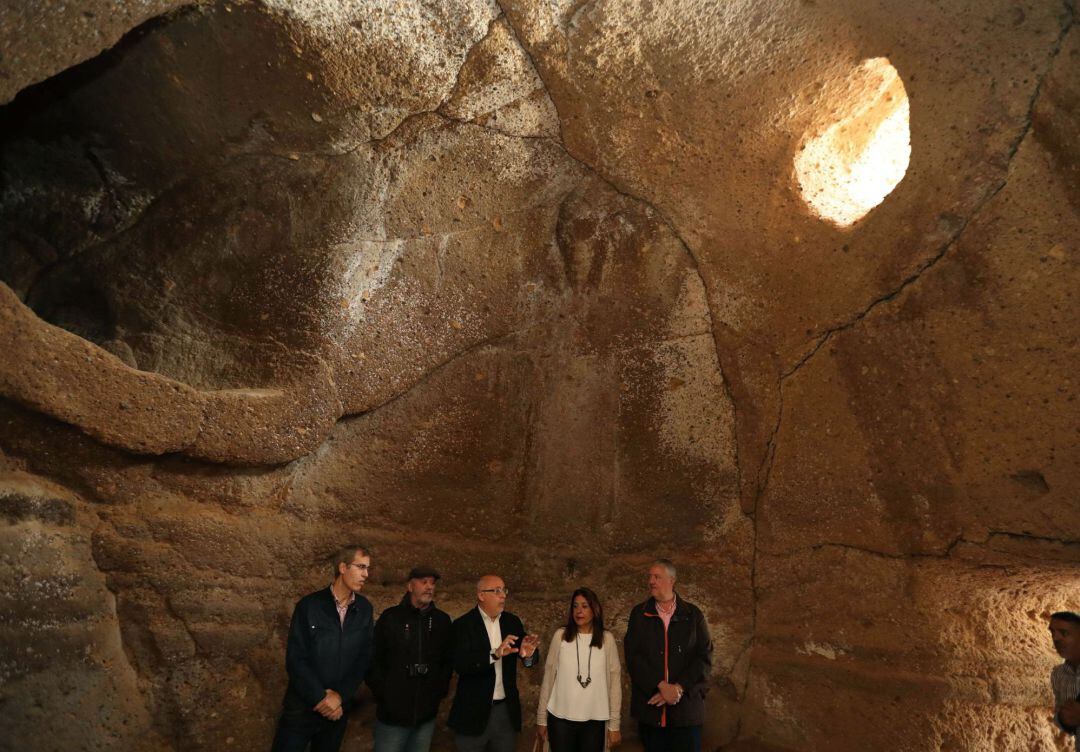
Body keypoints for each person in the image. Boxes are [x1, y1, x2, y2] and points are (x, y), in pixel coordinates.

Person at [271, 544, 375, 752]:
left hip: (336, 712)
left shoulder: (364, 609)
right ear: (343, 567)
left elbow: (363, 659)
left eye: (368, 568)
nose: (366, 574)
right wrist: (321, 697)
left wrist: (339, 697)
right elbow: (296, 659)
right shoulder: (309, 606)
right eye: (360, 567)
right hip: (301, 709)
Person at [624, 559, 712, 752]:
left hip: (686, 712)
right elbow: (633, 657)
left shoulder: (693, 615)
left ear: (671, 581)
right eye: (650, 576)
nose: (651, 581)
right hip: (651, 712)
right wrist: (661, 686)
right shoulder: (639, 614)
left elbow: (704, 658)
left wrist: (678, 688)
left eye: (657, 577)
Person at [448, 574, 541, 752]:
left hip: (504, 712)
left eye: (504, 590)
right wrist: (495, 654)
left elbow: (527, 656)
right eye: (497, 591)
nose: (503, 595)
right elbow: (461, 664)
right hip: (472, 712)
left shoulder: (512, 622)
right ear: (481, 595)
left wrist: (528, 655)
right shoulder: (463, 625)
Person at [367, 566, 454, 752]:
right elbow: (373, 658)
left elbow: (447, 661)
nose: (429, 587)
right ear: (409, 586)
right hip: (392, 715)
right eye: (423, 582)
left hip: (426, 714)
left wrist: (437, 693)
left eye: (432, 583)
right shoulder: (391, 618)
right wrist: (384, 695)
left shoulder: (442, 621)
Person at [536, 588, 622, 751]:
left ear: (594, 609)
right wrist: (541, 719)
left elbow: (615, 685)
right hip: (560, 719)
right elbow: (548, 678)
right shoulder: (560, 636)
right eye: (575, 606)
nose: (579, 611)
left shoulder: (607, 640)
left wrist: (614, 725)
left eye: (584, 606)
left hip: (594, 721)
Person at [1050, 611, 1080, 752]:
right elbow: (1059, 715)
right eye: (1052, 632)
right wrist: (1064, 719)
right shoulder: (1058, 674)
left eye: (1064, 633)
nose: (1056, 638)